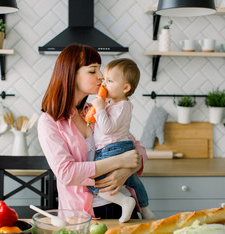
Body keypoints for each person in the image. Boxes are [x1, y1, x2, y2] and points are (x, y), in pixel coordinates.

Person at [38, 44, 148, 219]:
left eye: (100, 69)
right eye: (92, 71)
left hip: (124, 205)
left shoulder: (98, 111)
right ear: (71, 75)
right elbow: (67, 173)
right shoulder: (50, 122)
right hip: (83, 214)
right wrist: (119, 161)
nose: (101, 76)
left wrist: (126, 170)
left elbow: (138, 150)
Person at [88, 58, 154, 222]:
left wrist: (100, 108)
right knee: (133, 181)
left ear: (125, 88)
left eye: (109, 81)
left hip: (112, 149)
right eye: (104, 80)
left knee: (94, 182)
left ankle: (125, 201)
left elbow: (107, 128)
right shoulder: (114, 103)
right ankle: (145, 209)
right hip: (118, 147)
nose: (104, 85)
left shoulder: (122, 106)